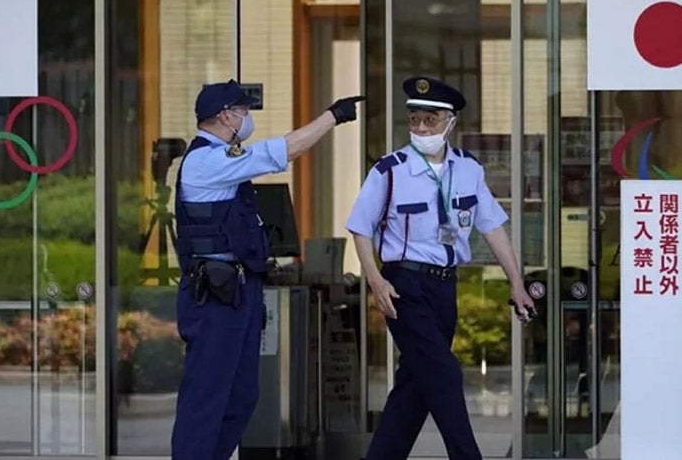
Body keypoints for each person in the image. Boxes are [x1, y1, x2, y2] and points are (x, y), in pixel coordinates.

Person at [170, 78, 364, 459]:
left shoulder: (224, 163)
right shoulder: (206, 161)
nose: (246, 120)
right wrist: (332, 117)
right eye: (242, 113)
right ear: (226, 116)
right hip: (214, 297)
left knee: (241, 397)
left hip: (238, 293)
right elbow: (281, 152)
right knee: (207, 397)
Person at [346, 76, 536, 460]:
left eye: (429, 121)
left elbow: (493, 226)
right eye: (414, 120)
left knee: (415, 386)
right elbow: (359, 227)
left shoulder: (468, 169)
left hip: (444, 288)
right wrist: (377, 281)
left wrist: (517, 282)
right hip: (404, 286)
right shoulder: (390, 170)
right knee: (445, 373)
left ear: (451, 122)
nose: (420, 129)